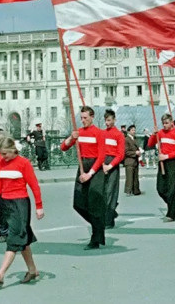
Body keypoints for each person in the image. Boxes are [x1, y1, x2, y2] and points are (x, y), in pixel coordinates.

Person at [0, 137, 44, 287]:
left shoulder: (23, 163)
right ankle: (32, 270)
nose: (3, 157)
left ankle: (0, 274)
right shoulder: (1, 163)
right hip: (6, 204)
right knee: (22, 237)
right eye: (1, 154)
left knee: (14, 238)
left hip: (20, 204)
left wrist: (39, 206)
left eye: (5, 154)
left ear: (13, 150)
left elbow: (34, 185)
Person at [60, 106, 106, 250]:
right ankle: (97, 225)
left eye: (85, 118)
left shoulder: (99, 133)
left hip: (95, 169)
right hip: (82, 165)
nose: (83, 120)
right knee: (78, 203)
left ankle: (96, 237)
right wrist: (70, 138)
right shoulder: (78, 132)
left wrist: (90, 174)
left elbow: (102, 156)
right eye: (81, 118)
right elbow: (63, 147)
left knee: (94, 202)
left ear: (92, 117)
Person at [148, 113, 175, 222]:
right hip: (162, 163)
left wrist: (167, 156)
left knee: (171, 189)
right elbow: (150, 143)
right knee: (160, 188)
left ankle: (171, 213)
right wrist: (154, 134)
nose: (164, 125)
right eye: (163, 123)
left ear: (171, 122)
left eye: (167, 123)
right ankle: (173, 203)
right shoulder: (160, 133)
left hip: (173, 163)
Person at [102, 110, 125, 228]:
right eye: (105, 120)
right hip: (103, 163)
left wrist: (109, 166)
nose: (107, 123)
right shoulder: (102, 133)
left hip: (112, 164)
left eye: (109, 120)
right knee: (102, 192)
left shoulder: (119, 135)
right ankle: (110, 212)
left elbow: (120, 154)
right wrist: (101, 164)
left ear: (114, 120)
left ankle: (108, 220)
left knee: (110, 192)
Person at [123, 125, 142, 196]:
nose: (134, 131)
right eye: (132, 130)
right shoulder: (126, 139)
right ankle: (128, 190)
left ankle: (136, 190)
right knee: (129, 177)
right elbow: (126, 151)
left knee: (135, 177)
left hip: (135, 160)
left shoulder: (135, 139)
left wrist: (139, 152)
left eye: (134, 130)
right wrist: (135, 153)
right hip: (129, 161)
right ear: (129, 131)